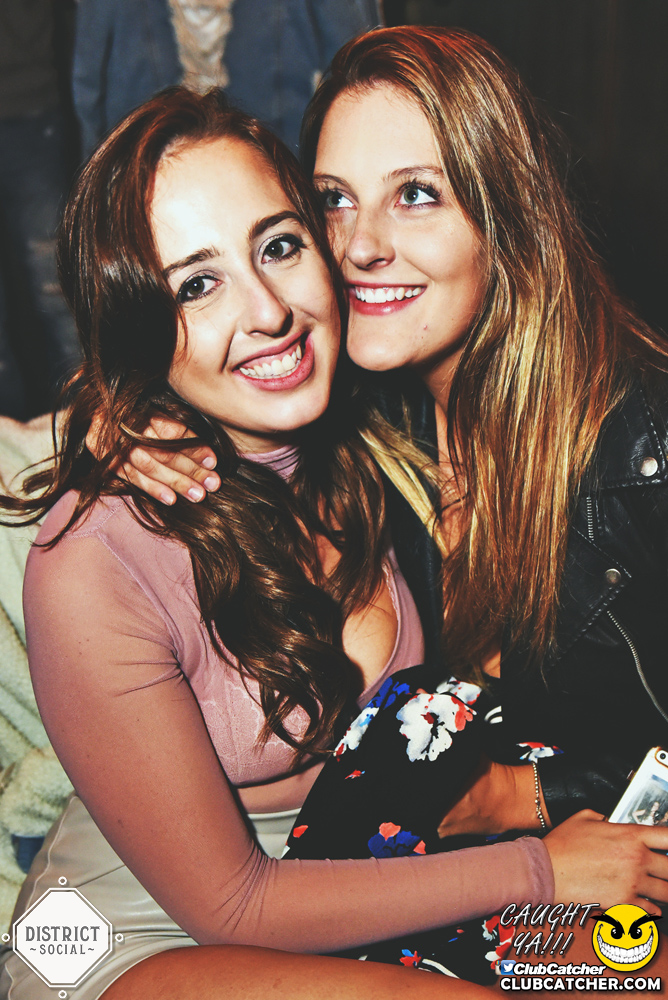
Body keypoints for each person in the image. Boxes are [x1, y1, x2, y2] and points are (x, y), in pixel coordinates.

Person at [2, 84, 667, 1000]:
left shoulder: (364, 424)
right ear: (138, 322)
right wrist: (542, 871)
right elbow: (234, 906)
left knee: (649, 972)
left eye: (278, 246)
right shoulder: (95, 556)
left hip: (378, 865)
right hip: (146, 928)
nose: (267, 312)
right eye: (196, 284)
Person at [137, 26, 668, 836]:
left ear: (511, 214)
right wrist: (126, 418)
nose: (359, 246)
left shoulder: (645, 449)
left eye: (416, 194)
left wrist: (521, 796)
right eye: (333, 199)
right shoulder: (357, 411)